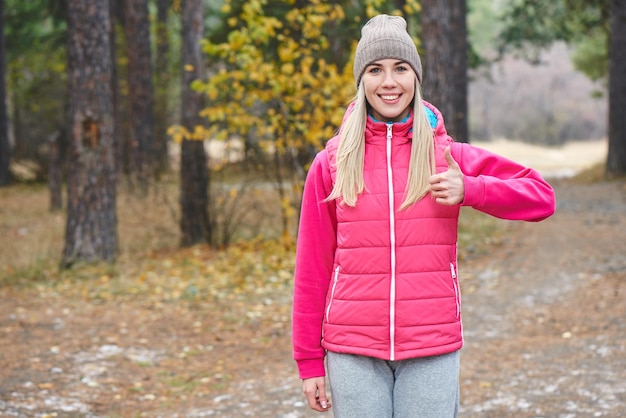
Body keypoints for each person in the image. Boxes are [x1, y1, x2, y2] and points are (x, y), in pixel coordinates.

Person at [291, 14, 556, 418]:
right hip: (352, 348)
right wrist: (309, 361)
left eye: (400, 69)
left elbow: (541, 196)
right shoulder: (331, 164)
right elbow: (312, 267)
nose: (389, 82)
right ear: (361, 81)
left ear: (415, 76)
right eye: (375, 70)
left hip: (431, 344)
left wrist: (472, 189)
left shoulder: (448, 157)